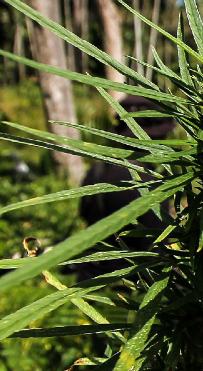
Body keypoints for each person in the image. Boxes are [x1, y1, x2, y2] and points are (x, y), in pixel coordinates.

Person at [75, 96, 177, 281]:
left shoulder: (97, 170)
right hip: (133, 289)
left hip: (92, 279)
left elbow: (84, 214)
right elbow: (157, 252)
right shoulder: (149, 184)